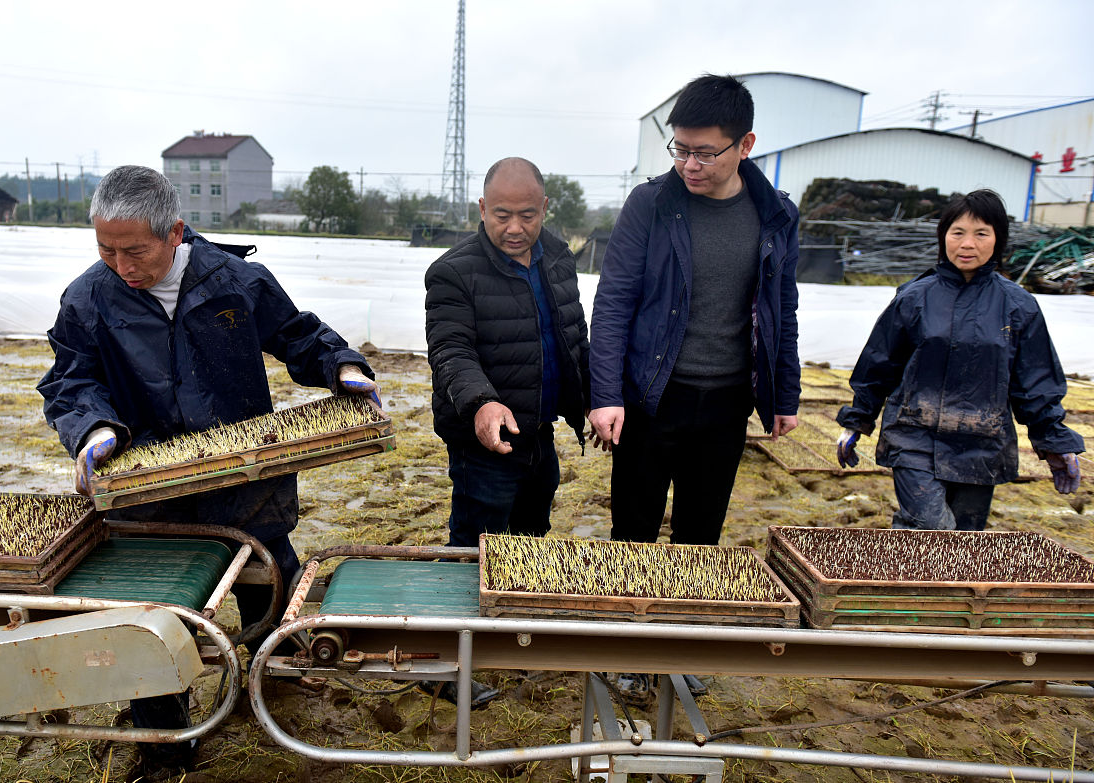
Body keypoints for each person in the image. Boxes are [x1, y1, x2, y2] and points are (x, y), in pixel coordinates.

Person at [37, 165, 378, 777]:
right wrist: (92, 428)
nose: (121, 264)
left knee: (266, 578)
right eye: (105, 249)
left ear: (174, 232)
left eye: (134, 250)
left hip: (246, 482)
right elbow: (70, 381)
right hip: (150, 496)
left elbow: (298, 336)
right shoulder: (88, 298)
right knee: (150, 614)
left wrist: (341, 367)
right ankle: (165, 741)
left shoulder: (233, 280)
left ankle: (273, 686)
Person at [588, 74, 801, 548]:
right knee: (632, 531)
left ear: (744, 145)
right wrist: (604, 394)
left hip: (726, 403)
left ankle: (681, 619)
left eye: (705, 153)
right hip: (651, 396)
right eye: (680, 150)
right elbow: (613, 303)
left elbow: (781, 310)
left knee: (700, 536)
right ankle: (630, 618)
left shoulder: (776, 214)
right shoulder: (651, 204)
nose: (690, 165)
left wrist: (784, 394)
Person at [424, 156, 590, 707]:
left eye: (526, 214)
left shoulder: (560, 257)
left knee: (530, 535)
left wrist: (590, 402)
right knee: (473, 545)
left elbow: (570, 338)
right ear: (481, 209)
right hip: (483, 438)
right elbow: (452, 350)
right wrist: (480, 402)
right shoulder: (453, 271)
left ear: (545, 209)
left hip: (537, 434)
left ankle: (507, 634)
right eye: (501, 215)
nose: (514, 228)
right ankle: (443, 662)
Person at [836, 189, 1083, 530]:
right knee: (931, 529)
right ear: (944, 237)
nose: (967, 244)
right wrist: (856, 421)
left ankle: (905, 583)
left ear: (998, 240)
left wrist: (1054, 441)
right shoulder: (914, 298)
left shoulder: (1018, 305)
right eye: (958, 232)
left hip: (981, 444)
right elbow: (880, 364)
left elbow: (1035, 382)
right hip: (914, 436)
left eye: (981, 233)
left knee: (964, 546)